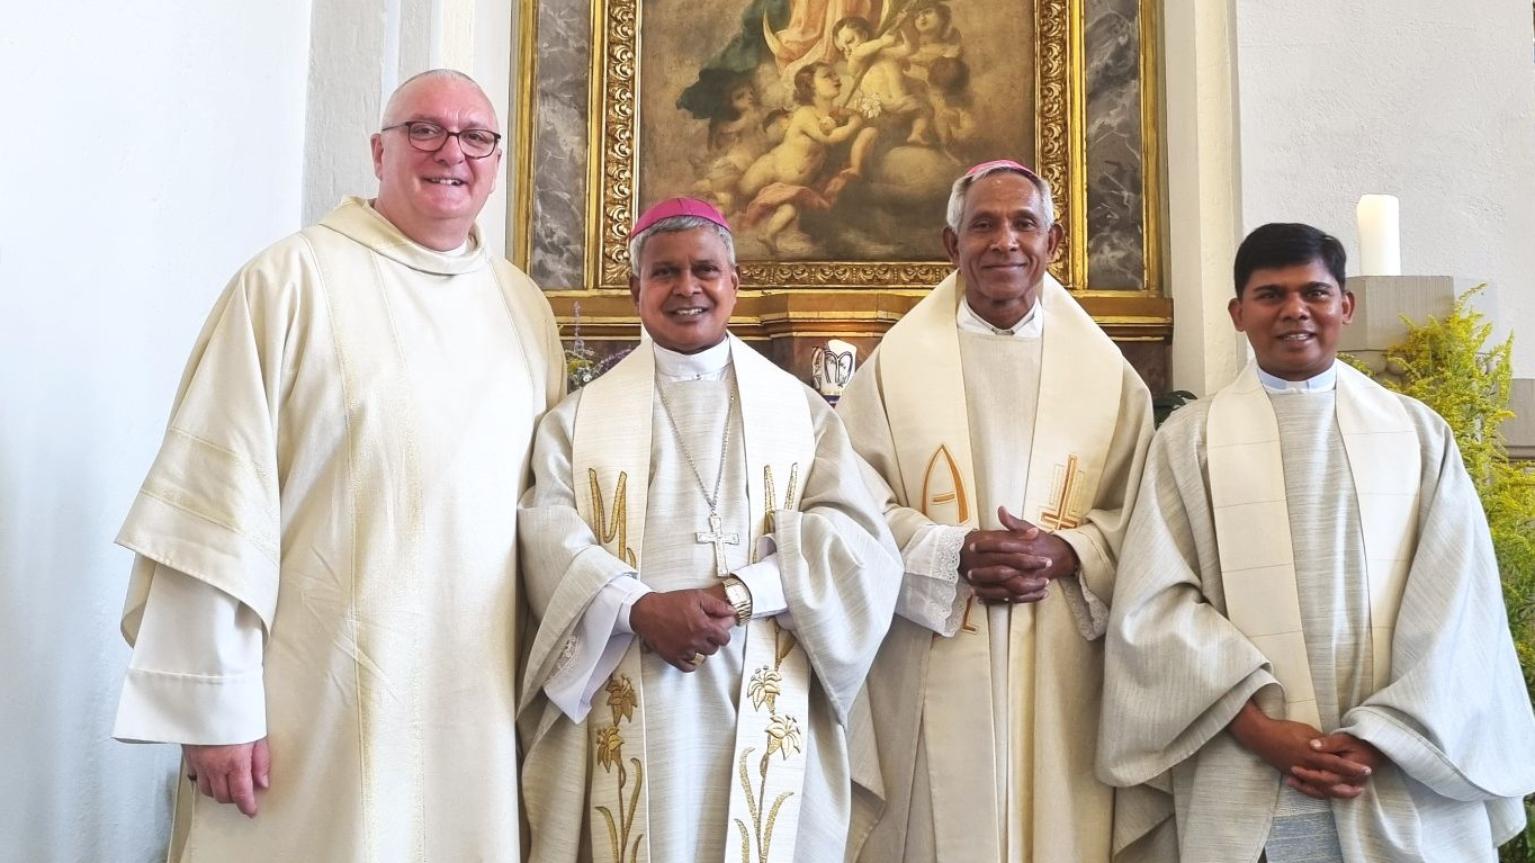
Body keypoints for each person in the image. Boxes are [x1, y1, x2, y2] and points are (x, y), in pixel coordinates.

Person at [110, 69, 565, 861]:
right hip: (313, 696)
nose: (450, 151)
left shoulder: (522, 305)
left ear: (494, 161)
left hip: (474, 702)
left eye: (474, 136)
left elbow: (548, 512)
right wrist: (215, 706)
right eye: (424, 130)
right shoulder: (286, 281)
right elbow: (214, 504)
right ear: (378, 150)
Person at [1097, 222, 1535, 862]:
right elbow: (1154, 607)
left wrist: (1386, 736)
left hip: (1395, 764)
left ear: (1346, 306)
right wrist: (1258, 729)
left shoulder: (1416, 434)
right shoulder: (1188, 441)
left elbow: (1460, 602)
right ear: (1238, 312)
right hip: (1244, 755)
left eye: (1315, 293)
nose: (1295, 311)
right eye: (1271, 294)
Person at [516, 197, 902, 863]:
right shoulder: (575, 422)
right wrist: (639, 607)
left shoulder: (800, 412)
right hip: (633, 674)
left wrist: (744, 593)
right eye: (665, 273)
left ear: (734, 282)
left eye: (705, 270)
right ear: (637, 288)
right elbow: (548, 531)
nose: (687, 288)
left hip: (767, 685)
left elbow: (857, 540)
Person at [838, 159, 1155, 861]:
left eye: (1023, 224)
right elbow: (848, 505)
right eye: (982, 224)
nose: (1003, 241)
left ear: (1054, 241)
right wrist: (949, 551)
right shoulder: (892, 371)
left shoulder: (1109, 380)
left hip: (1063, 654)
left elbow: (1145, 515)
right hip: (932, 643)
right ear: (950, 246)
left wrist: (1068, 551)